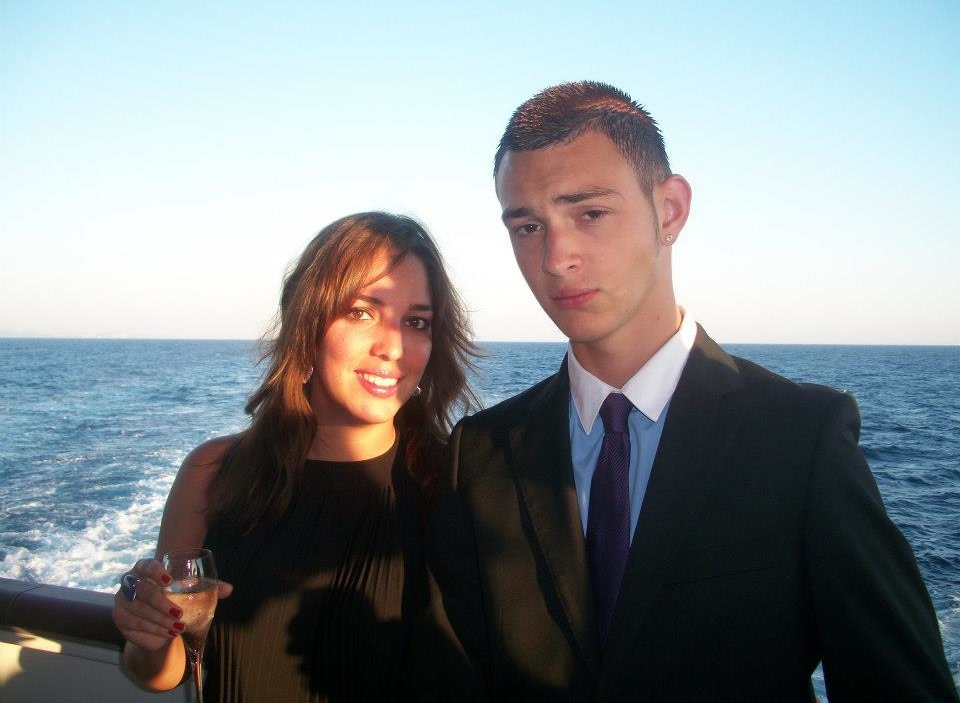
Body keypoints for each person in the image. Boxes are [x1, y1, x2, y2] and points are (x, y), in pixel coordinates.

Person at [430, 82, 959, 701]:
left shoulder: (800, 439)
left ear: (670, 210)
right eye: (526, 226)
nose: (556, 256)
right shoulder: (481, 452)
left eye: (590, 213)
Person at [112, 211, 478, 701]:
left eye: (416, 322)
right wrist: (150, 631)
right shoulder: (212, 473)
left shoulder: (458, 486)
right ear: (308, 324)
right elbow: (162, 673)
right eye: (362, 312)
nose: (393, 346)